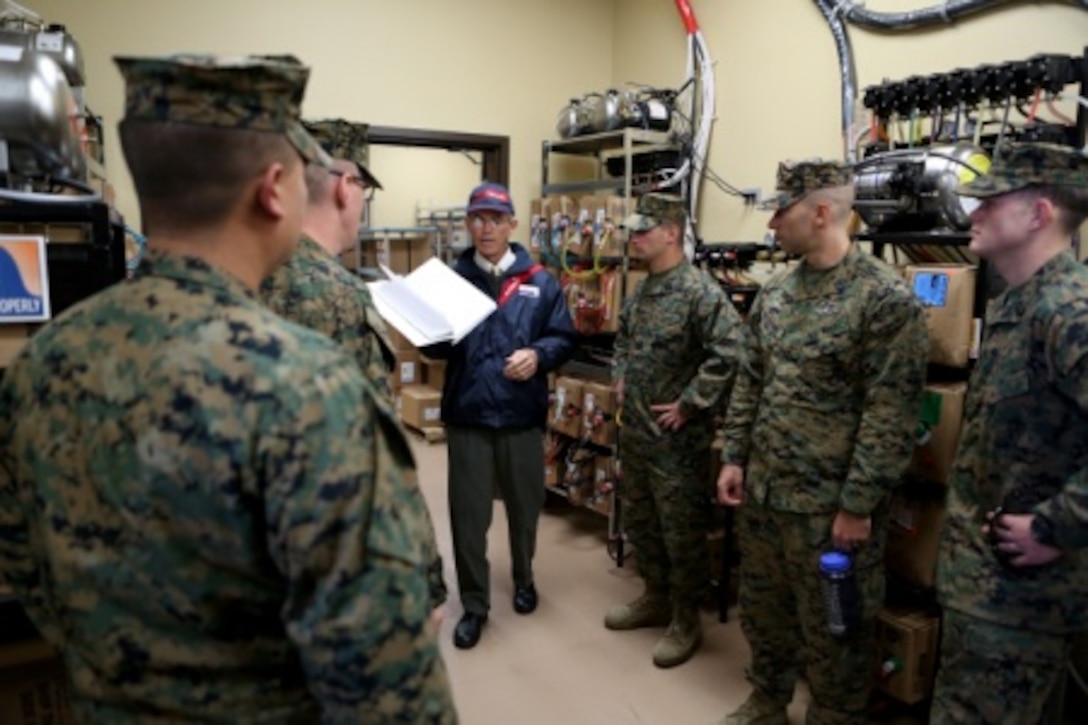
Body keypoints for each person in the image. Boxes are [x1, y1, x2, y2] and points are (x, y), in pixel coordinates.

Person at [0, 54, 456, 722]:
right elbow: (387, 680)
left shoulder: (39, 367)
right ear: (274, 189)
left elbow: (30, 575)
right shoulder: (308, 390)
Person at [716, 159, 927, 724]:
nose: (772, 226)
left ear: (822, 212)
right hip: (766, 497)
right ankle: (767, 702)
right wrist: (734, 454)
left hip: (831, 510)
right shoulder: (777, 292)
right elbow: (750, 380)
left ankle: (833, 715)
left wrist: (858, 504)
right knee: (764, 612)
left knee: (837, 629)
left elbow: (891, 414)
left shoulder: (883, 300)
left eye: (781, 213)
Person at [258, 118, 449, 617]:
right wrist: (426, 579)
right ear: (346, 187)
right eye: (364, 189)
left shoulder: (252, 272)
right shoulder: (334, 292)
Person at [931, 143, 1088, 724]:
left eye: (991, 201)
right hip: (985, 586)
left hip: (1024, 598)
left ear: (1040, 214)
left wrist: (1057, 524)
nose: (973, 212)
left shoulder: (1070, 310)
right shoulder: (1017, 304)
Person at [424, 181, 576, 650]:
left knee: (525, 509)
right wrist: (421, 322)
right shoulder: (451, 279)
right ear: (468, 224)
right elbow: (434, 349)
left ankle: (525, 577)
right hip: (469, 414)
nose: (484, 228)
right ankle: (474, 605)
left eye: (494, 219)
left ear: (512, 224)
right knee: (468, 518)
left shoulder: (539, 281)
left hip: (520, 415)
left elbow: (564, 337)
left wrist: (538, 354)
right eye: (476, 218)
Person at [604, 193, 744, 668]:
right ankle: (655, 596)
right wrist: (620, 374)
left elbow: (731, 349)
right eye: (634, 229)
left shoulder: (699, 292)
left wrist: (690, 402)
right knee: (641, 523)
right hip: (638, 436)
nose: (635, 237)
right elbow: (622, 338)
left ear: (671, 232)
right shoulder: (642, 289)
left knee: (680, 532)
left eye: (644, 229)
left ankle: (686, 619)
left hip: (677, 443)